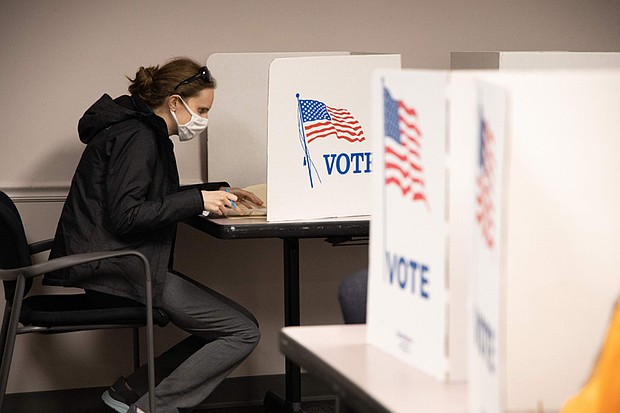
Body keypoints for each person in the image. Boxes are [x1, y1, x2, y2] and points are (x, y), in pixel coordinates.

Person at [44, 57, 263, 413]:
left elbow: (152, 198)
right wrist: (198, 200)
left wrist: (218, 191)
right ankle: (152, 408)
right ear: (174, 102)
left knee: (239, 325)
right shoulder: (138, 137)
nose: (203, 119)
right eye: (201, 109)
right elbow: (127, 216)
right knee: (241, 331)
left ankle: (128, 393)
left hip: (119, 261)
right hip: (119, 266)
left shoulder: (139, 130)